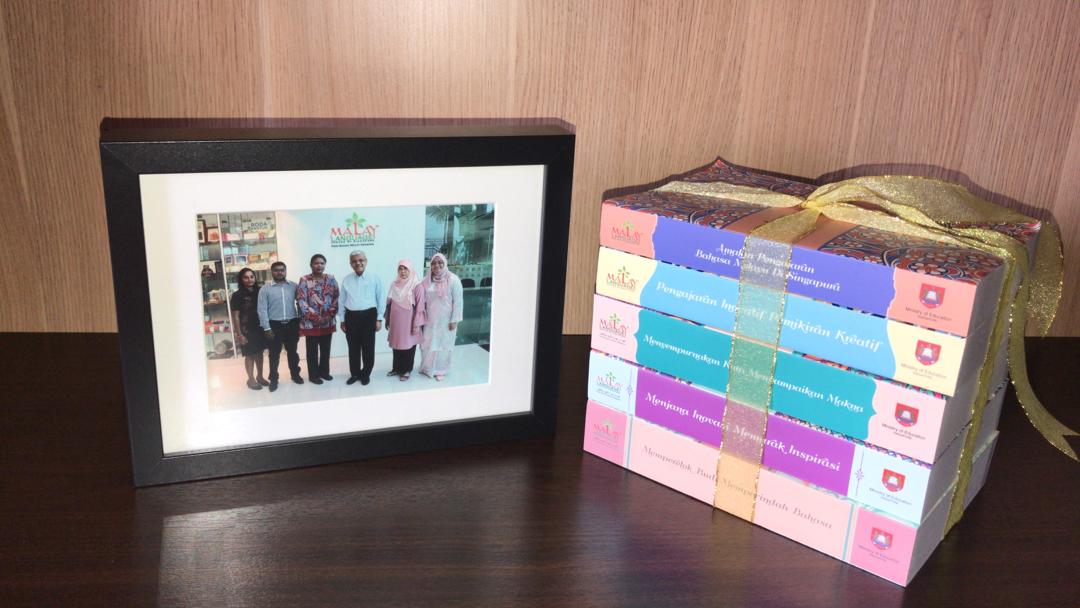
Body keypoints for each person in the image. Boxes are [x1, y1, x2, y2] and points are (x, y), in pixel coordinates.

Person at [338, 250, 385, 386]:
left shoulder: (374, 278)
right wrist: (342, 320)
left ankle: (365, 374)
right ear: (350, 264)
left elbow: (381, 299)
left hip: (369, 316)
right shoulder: (346, 279)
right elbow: (341, 301)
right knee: (353, 347)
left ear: (366, 261)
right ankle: (354, 373)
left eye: (361, 260)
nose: (358, 263)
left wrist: (379, 319)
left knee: (368, 347)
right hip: (351, 317)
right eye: (354, 261)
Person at [258, 261, 304, 392]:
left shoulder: (294, 286)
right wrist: (267, 328)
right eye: (276, 270)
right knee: (274, 354)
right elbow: (262, 309)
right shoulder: (265, 289)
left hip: (291, 324)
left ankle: (295, 375)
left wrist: (300, 321)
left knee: (293, 352)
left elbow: (301, 303)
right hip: (274, 325)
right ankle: (274, 379)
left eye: (282, 270)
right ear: (272, 272)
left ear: (285, 271)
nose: (279, 272)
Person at [419, 253, 463, 381]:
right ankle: (427, 368)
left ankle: (440, 370)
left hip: (446, 320)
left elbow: (458, 302)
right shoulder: (426, 280)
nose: (436, 265)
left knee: (443, 344)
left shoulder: (453, 279)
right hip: (429, 320)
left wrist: (454, 320)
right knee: (427, 343)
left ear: (445, 263)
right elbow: (421, 300)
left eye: (440, 262)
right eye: (433, 263)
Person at [296, 254, 339, 385]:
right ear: (311, 265)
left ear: (325, 265)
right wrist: (315, 317)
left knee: (326, 350)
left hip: (327, 322)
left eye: (322, 263)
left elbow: (336, 297)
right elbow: (301, 300)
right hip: (311, 323)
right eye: (316, 263)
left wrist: (328, 316)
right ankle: (313, 375)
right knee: (312, 351)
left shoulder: (331, 279)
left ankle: (324, 372)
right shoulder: (304, 280)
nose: (319, 265)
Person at [385, 260, 426, 381]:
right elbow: (389, 303)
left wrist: (417, 324)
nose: (402, 272)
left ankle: (406, 370)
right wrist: (387, 319)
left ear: (410, 270)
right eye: (400, 269)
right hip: (396, 322)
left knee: (409, 346)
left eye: (405, 269)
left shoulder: (417, 286)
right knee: (396, 345)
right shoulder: (394, 285)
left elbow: (420, 307)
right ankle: (396, 368)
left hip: (409, 322)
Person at [230, 268, 268, 390]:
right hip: (246, 329)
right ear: (241, 279)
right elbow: (235, 316)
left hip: (260, 327)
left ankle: (260, 376)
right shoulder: (237, 295)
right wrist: (239, 334)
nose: (249, 279)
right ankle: (251, 379)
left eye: (252, 276)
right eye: (246, 277)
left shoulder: (260, 291)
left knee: (260, 353)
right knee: (250, 355)